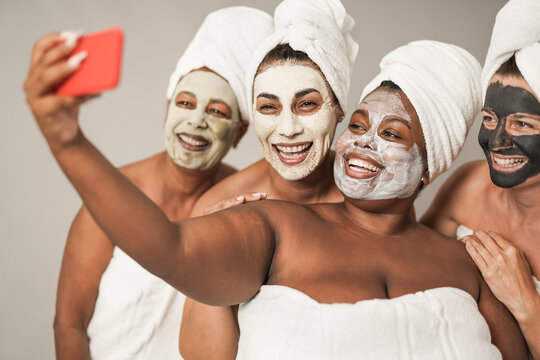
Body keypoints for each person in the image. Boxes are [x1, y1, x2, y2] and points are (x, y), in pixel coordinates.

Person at [26, 25, 528, 358]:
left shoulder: (469, 265)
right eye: (358, 124)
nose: (362, 143)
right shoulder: (273, 224)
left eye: (391, 135)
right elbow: (168, 246)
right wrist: (70, 143)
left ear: (428, 168)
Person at [41, 7, 273, 360]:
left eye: (217, 111)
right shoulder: (114, 195)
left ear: (240, 131)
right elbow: (69, 323)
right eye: (185, 103)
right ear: (167, 111)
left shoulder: (242, 203)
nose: (196, 122)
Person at [179, 0, 358, 357]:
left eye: (307, 104)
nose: (287, 130)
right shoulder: (220, 205)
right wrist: (215, 256)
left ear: (338, 106)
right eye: (269, 107)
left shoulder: (369, 195)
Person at [421, 0, 540, 358]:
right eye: (490, 119)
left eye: (523, 124)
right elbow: (407, 256)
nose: (497, 141)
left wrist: (526, 302)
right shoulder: (468, 185)